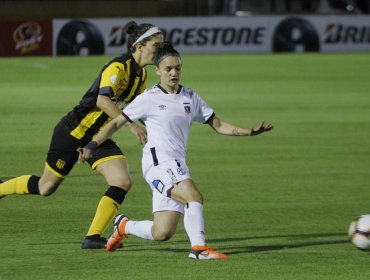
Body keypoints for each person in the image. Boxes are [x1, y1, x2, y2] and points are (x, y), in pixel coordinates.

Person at [77, 41, 273, 259]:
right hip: (158, 163)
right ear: (157, 70)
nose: (173, 73)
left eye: (177, 68)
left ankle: (124, 226)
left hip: (177, 163)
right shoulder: (148, 98)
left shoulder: (190, 97)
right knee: (193, 196)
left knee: (162, 232)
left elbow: (218, 125)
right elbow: (115, 123)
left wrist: (250, 132)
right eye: (168, 69)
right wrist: (92, 145)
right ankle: (199, 250)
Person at [0, 21, 164, 249]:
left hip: (99, 138)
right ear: (140, 46)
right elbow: (102, 100)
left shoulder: (141, 77)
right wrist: (131, 126)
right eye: (157, 45)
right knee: (45, 188)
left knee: (122, 181)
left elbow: (137, 108)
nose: (160, 50)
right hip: (73, 132)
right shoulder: (118, 67)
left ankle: (92, 237)